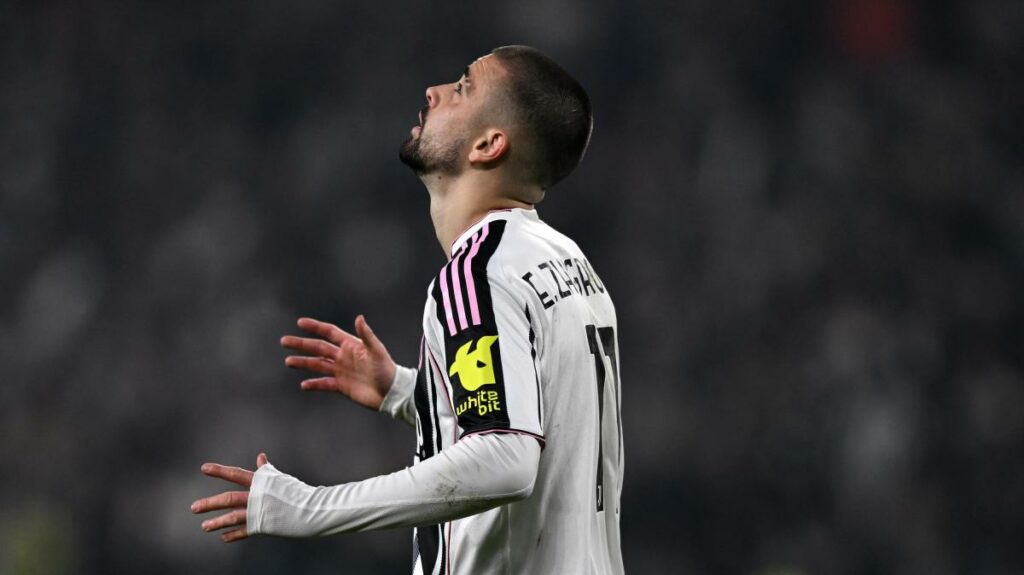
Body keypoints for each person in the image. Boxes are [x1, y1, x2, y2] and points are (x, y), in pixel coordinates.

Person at [191, 45, 625, 574]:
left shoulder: (479, 272)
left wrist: (308, 508)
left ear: (489, 145)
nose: (434, 92)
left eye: (462, 88)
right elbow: (546, 419)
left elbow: (506, 458)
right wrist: (410, 392)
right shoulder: (567, 262)